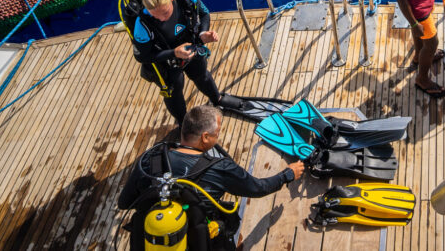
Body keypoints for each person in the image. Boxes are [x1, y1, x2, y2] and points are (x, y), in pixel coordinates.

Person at [118, 104, 305, 251]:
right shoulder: (219, 168)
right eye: (217, 134)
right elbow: (258, 188)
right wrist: (287, 174)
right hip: (204, 240)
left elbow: (124, 202)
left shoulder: (152, 158)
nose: (218, 138)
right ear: (205, 138)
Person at [124, 0, 222, 124]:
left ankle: (218, 100)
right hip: (165, 61)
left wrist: (202, 34)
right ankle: (183, 123)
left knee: (201, 75)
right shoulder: (142, 25)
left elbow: (204, 13)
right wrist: (174, 53)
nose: (161, 18)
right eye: (155, 15)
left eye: (165, 12)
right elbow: (142, 57)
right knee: (174, 92)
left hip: (190, 47)